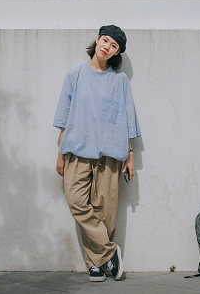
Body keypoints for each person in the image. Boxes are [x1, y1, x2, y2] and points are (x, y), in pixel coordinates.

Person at [53, 25, 141, 282]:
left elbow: (126, 118)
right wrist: (60, 154)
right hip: (77, 151)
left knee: (106, 209)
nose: (107, 47)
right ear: (97, 39)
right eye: (105, 41)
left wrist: (130, 154)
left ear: (116, 53)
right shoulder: (75, 75)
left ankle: (96, 264)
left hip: (110, 152)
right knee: (77, 202)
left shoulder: (120, 80)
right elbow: (64, 120)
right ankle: (110, 252)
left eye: (114, 46)